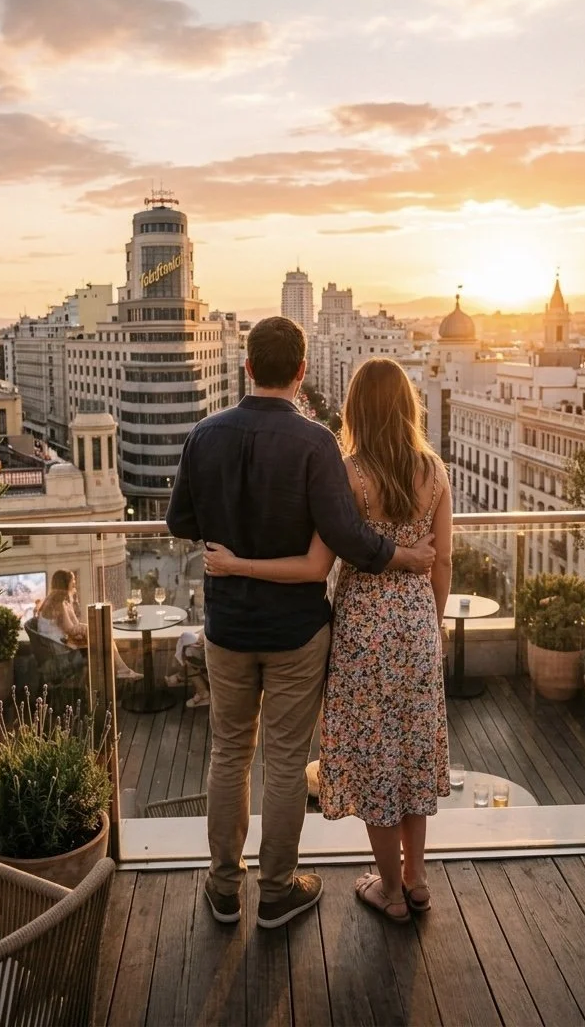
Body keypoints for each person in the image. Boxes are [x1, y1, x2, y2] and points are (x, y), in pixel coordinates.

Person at [166, 317, 436, 930]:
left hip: (227, 626)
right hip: (296, 631)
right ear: (303, 371)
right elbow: (347, 537)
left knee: (228, 754)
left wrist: (227, 542)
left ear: (246, 367)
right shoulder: (315, 442)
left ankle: (223, 889)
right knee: (286, 762)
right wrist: (406, 558)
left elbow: (179, 521)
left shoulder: (203, 436)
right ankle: (278, 890)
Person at [36, 570, 141, 681]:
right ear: (65, 585)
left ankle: (120, 672)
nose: (74, 586)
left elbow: (73, 626)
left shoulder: (54, 601)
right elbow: (71, 629)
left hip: (58, 646)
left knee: (104, 637)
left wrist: (85, 625)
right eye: (73, 583)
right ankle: (120, 673)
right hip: (61, 652)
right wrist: (86, 628)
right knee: (104, 640)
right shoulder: (58, 604)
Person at [165, 630, 210, 708]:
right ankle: (202, 692)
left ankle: (202, 693)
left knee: (188, 661)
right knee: (188, 656)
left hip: (217, 660)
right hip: (216, 654)